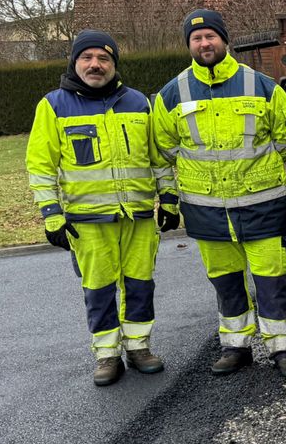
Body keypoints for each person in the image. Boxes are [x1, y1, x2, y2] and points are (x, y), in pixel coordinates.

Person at [152, 9, 286, 378]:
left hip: (262, 203)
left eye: (210, 36)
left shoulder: (264, 86)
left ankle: (282, 348)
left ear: (225, 39)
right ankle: (235, 346)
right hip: (206, 209)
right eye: (197, 39)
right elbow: (162, 151)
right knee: (225, 280)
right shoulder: (173, 93)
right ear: (188, 45)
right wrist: (171, 198)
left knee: (271, 278)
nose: (205, 44)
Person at [26, 31, 175, 385]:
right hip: (87, 222)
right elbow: (40, 165)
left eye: (104, 59)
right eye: (87, 58)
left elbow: (159, 159)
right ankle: (107, 354)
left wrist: (168, 198)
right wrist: (51, 215)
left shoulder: (139, 102)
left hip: (137, 218)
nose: (95, 65)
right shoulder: (54, 106)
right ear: (74, 63)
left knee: (140, 285)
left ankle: (138, 347)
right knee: (99, 289)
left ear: (114, 65)